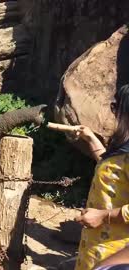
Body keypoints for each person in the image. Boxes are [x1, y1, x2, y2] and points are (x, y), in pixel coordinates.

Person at [73, 84, 129, 270]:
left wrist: (103, 216)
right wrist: (90, 138)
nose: (113, 113)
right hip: (97, 245)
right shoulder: (124, 148)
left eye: (115, 107)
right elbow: (112, 170)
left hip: (114, 253)